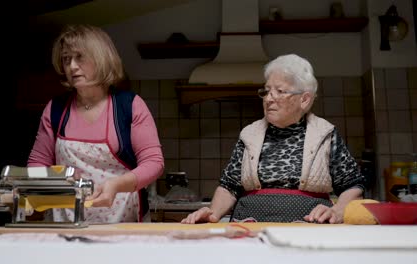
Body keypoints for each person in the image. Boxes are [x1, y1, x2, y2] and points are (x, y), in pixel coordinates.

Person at [181, 54, 366, 224]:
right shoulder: (249, 134)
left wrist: (339, 210)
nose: (269, 98)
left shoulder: (325, 134)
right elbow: (229, 186)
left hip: (307, 231)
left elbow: (353, 185)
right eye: (267, 91)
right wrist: (212, 213)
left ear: (305, 99)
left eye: (279, 91)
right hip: (248, 229)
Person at [27, 24, 164, 223]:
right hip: (64, 225)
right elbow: (36, 165)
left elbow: (154, 163)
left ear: (101, 58)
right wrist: (54, 178)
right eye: (66, 59)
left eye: (79, 57)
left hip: (122, 225)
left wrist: (116, 185)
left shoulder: (129, 106)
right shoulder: (55, 109)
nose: (72, 66)